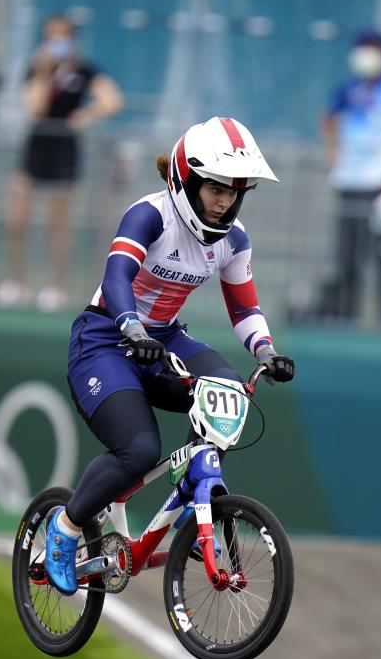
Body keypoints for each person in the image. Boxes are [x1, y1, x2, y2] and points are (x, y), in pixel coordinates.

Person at [40, 117, 296, 594]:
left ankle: (198, 503)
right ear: (187, 180)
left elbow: (245, 308)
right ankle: (66, 528)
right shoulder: (150, 215)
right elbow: (117, 277)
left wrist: (266, 351)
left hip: (163, 340)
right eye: (216, 188)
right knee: (140, 450)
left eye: (236, 191)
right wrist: (130, 326)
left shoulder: (234, 239)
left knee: (229, 390)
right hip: (104, 339)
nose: (225, 201)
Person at [0, 15, 123, 311]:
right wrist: (42, 72)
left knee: (58, 223)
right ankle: (16, 281)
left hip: (65, 148)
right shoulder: (37, 71)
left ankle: (55, 287)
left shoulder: (84, 71)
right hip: (37, 145)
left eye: (61, 37)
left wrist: (86, 115)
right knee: (17, 219)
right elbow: (35, 109)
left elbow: (112, 100)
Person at [317, 29, 381, 324]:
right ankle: (347, 315)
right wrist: (333, 150)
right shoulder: (350, 88)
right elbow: (328, 117)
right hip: (350, 182)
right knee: (347, 255)